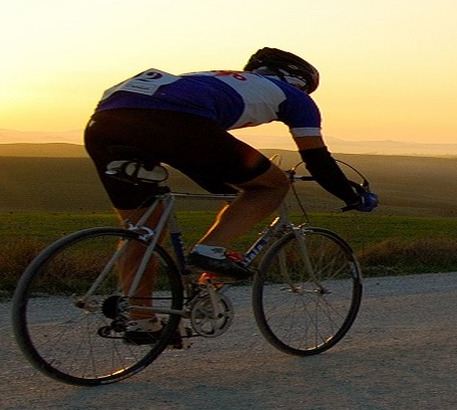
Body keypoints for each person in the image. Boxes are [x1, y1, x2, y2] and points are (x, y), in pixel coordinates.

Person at [84, 47, 377, 344]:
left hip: (105, 123)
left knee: (143, 229)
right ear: (297, 80)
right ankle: (209, 251)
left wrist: (226, 186)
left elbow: (200, 161)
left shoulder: (211, 78)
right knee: (272, 185)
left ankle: (141, 320)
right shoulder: (294, 97)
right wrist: (352, 196)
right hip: (176, 121)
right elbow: (317, 160)